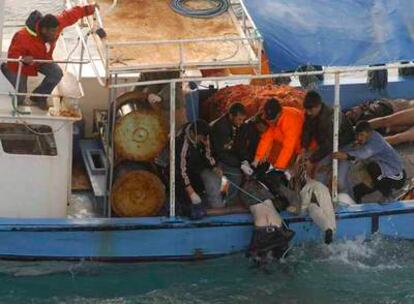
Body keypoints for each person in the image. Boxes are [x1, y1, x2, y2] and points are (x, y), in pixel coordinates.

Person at [1, 4, 100, 109]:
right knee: (19, 98)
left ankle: (39, 97)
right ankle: (4, 68)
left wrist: (88, 9)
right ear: (44, 30)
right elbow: (13, 55)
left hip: (42, 59)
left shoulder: (56, 25)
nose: (56, 34)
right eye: (53, 32)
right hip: (20, 65)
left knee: (56, 73)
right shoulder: (22, 36)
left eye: (57, 30)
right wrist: (22, 59)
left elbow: (70, 15)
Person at [333, 121, 406, 203]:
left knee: (372, 167)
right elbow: (348, 149)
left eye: (361, 135)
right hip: (381, 175)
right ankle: (357, 212)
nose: (359, 138)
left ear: (370, 133)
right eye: (357, 135)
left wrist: (346, 155)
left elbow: (364, 154)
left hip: (396, 175)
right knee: (357, 191)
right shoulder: (365, 139)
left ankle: (388, 196)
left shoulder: (376, 141)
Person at [301, 90, 354, 184]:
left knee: (322, 174)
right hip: (326, 144)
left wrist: (312, 159)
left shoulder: (330, 119)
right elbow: (307, 130)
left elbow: (329, 144)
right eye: (307, 110)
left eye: (310, 110)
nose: (308, 113)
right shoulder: (310, 114)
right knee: (312, 168)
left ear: (318, 106)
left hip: (342, 145)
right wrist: (304, 147)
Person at [175, 120, 224, 220]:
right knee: (185, 196)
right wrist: (190, 191)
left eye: (204, 138)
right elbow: (181, 170)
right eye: (200, 137)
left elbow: (208, 153)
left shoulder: (205, 137)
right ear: (193, 133)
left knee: (203, 186)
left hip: (197, 166)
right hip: (182, 170)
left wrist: (213, 166)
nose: (202, 140)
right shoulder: (182, 143)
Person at [252, 98, 304, 173]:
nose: (269, 121)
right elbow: (267, 137)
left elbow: (288, 148)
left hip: (306, 146)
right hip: (292, 145)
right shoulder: (272, 118)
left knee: (296, 172)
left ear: (279, 114)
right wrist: (257, 159)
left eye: (271, 119)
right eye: (268, 118)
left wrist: (278, 167)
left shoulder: (290, 122)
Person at [210, 102, 247, 205]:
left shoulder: (235, 125)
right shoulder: (221, 128)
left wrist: (244, 160)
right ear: (231, 116)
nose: (241, 122)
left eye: (243, 120)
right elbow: (221, 153)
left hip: (226, 155)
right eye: (239, 119)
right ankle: (230, 203)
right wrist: (240, 164)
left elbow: (237, 146)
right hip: (216, 159)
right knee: (236, 176)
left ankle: (228, 197)